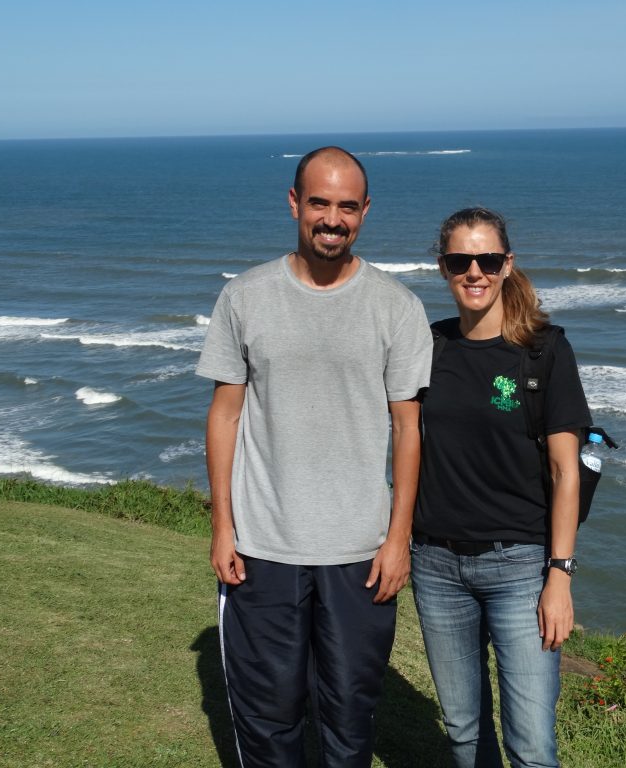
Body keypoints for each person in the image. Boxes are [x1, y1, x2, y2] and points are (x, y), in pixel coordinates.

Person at [196, 146, 432, 767]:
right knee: (267, 712)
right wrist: (223, 526)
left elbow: (409, 430)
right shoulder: (245, 297)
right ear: (295, 202)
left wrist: (398, 538)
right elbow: (224, 415)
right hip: (262, 544)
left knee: (350, 714)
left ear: (365, 211)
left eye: (347, 206)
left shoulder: (397, 308)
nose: (333, 218)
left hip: (360, 550)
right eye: (320, 202)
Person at [411, 207, 591, 768]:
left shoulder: (543, 351)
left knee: (532, 746)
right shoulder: (426, 346)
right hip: (435, 565)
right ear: (442, 266)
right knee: (465, 734)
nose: (474, 272)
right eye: (459, 260)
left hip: (519, 565)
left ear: (507, 265)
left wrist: (558, 577)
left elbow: (566, 472)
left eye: (487, 260)